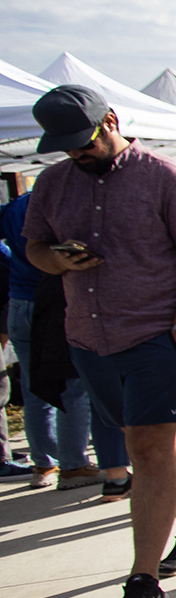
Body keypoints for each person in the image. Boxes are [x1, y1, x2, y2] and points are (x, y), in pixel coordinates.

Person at [23, 85, 176, 598]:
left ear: (110, 120)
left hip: (157, 336)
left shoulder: (166, 178)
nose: (75, 152)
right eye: (63, 145)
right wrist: (58, 261)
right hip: (89, 339)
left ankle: (143, 577)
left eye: (82, 140)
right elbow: (34, 247)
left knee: (148, 449)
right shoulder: (53, 183)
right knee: (147, 440)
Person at [3, 186, 99, 488]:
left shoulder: (14, 206)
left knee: (36, 389)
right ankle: (73, 464)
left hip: (18, 303)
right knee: (72, 385)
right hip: (52, 303)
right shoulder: (55, 201)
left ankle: (43, 465)